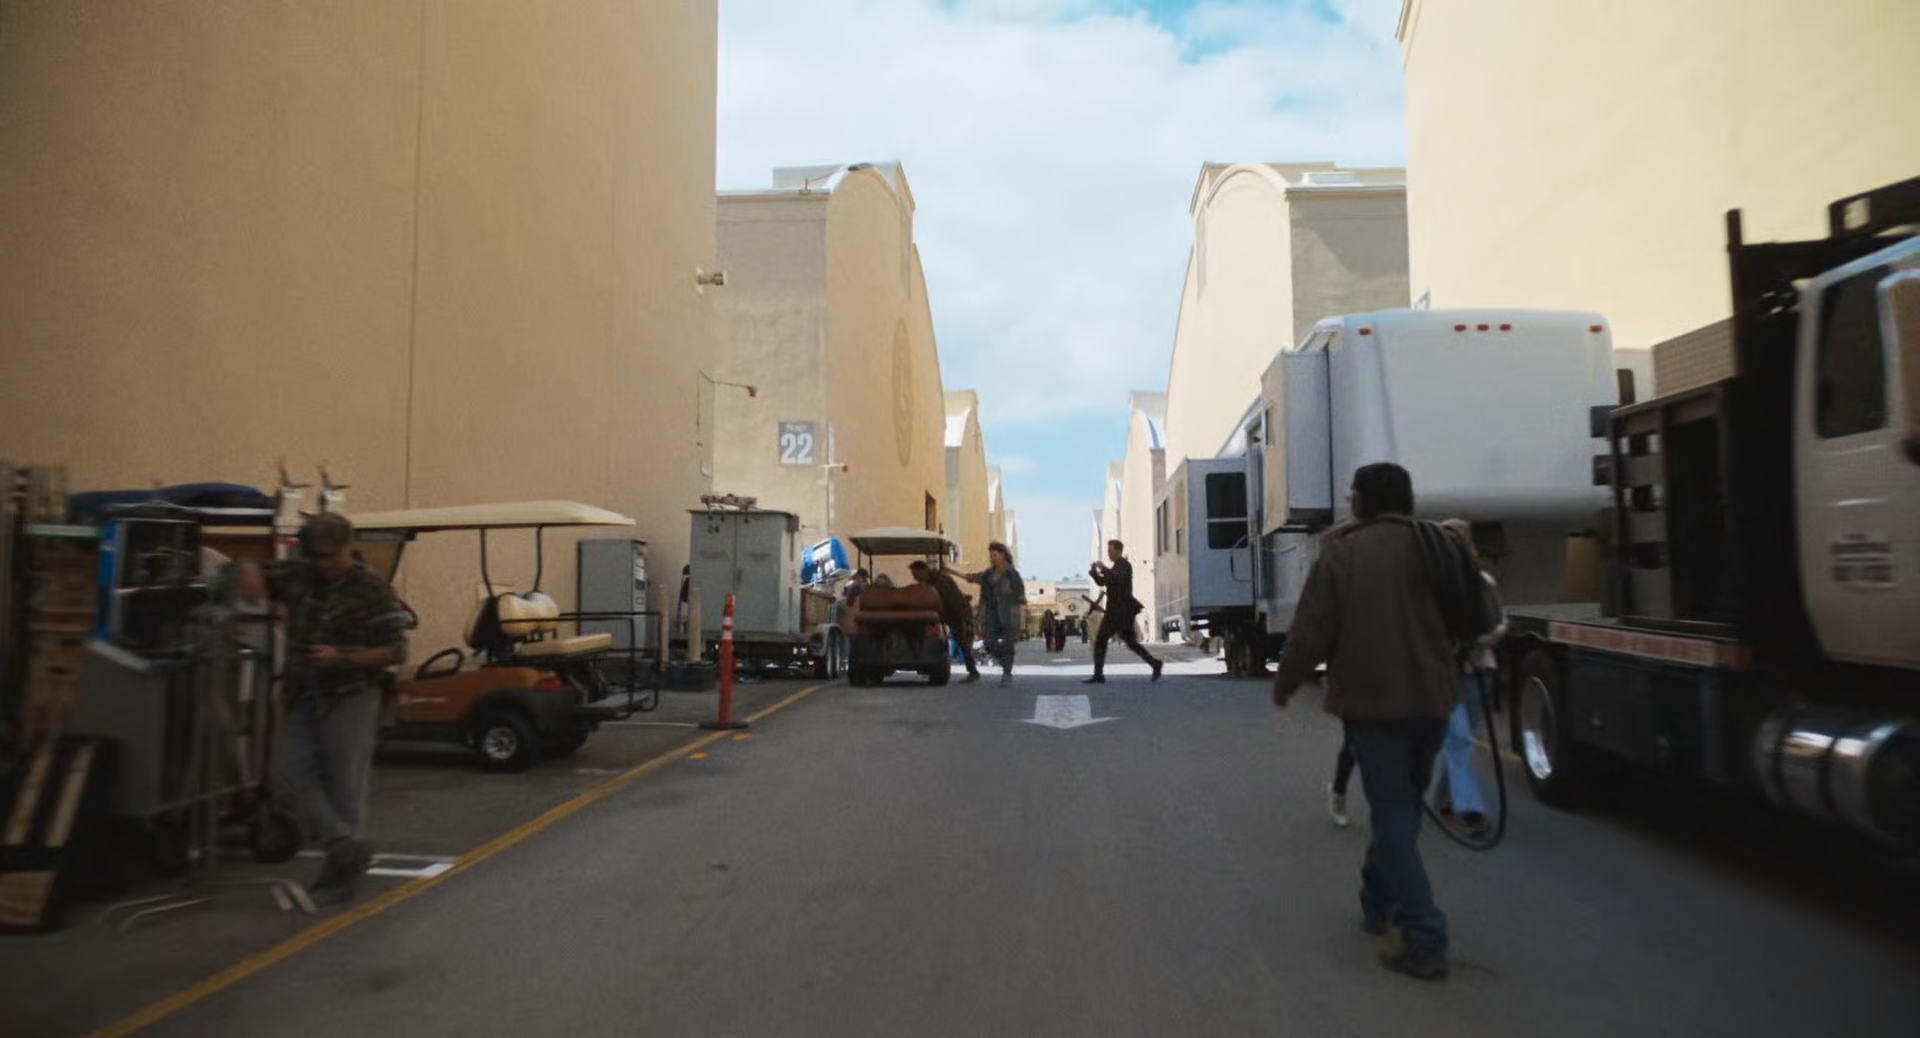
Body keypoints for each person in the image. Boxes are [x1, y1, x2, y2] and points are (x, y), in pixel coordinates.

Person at [1271, 462, 1465, 981]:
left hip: (1373, 704)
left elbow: (1312, 629)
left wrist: (1287, 681)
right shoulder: (1439, 544)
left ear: (1362, 501)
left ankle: (1424, 934)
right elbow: (1479, 616)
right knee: (1403, 805)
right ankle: (1376, 901)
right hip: (1434, 700)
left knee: (1394, 810)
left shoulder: (1343, 552)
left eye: (1351, 494)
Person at [216, 512, 412, 906]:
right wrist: (247, 569)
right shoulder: (299, 575)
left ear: (348, 547)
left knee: (345, 787)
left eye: (331, 555)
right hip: (304, 691)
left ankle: (340, 874)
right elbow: (240, 572)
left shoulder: (372, 589)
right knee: (282, 771)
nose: (324, 564)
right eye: (317, 556)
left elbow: (395, 651)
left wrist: (343, 657)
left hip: (351, 694)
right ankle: (343, 845)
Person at [1430, 518, 1506, 838]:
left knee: (1460, 739)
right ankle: (1470, 809)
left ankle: (1444, 799)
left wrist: (1481, 643)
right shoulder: (1429, 585)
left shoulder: (1482, 582)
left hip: (1477, 671)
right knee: (1458, 738)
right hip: (1445, 675)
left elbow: (1500, 623)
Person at [1085, 540, 1162, 684]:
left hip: (1122, 611)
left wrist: (1104, 569)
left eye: (1110, 550)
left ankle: (1099, 674)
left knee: (1108, 640)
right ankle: (1155, 663)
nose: (1108, 553)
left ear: (1118, 551)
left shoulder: (1124, 566)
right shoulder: (1115, 567)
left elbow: (1117, 580)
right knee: (1126, 642)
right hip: (1114, 611)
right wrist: (1094, 572)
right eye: (1108, 551)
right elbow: (1103, 582)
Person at [964, 542, 1027, 686]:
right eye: (991, 556)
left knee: (1008, 645)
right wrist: (969, 577)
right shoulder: (988, 574)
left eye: (994, 555)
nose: (992, 558)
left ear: (1003, 555)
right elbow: (978, 580)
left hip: (1008, 614)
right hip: (991, 614)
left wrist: (1019, 615)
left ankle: (1007, 673)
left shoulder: (1012, 573)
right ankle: (1005, 663)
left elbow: (1020, 596)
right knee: (988, 644)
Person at [910, 560, 981, 685]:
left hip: (956, 613)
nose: (915, 578)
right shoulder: (933, 580)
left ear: (923, 571)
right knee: (957, 641)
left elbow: (946, 600)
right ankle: (934, 666)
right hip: (949, 613)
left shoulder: (940, 581)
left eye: (916, 574)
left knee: (962, 642)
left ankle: (973, 672)